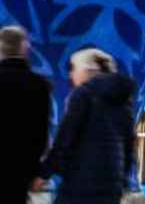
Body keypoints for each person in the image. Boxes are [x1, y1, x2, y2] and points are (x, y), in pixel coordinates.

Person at [36, 48, 136, 204]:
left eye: (73, 68)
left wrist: (44, 173)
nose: (71, 74)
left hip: (81, 183)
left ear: (87, 71)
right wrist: (123, 182)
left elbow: (65, 139)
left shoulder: (83, 94)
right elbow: (129, 147)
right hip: (111, 186)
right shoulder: (123, 101)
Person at [0, 27, 50, 204]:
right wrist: (36, 170)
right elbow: (41, 133)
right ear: (25, 48)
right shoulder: (40, 85)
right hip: (22, 169)